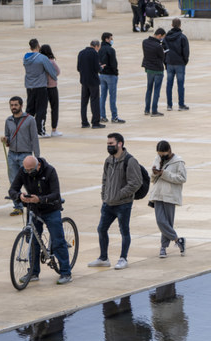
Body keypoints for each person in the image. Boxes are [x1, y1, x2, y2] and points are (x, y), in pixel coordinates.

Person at [9, 156, 71, 285]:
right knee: (33, 242)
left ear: (38, 166)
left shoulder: (50, 171)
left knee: (58, 240)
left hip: (51, 208)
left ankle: (65, 272)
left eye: (31, 170)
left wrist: (40, 199)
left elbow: (56, 194)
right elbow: (12, 189)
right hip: (33, 209)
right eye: (26, 170)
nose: (28, 172)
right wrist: (19, 196)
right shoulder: (23, 171)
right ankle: (33, 272)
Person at [88, 133, 142, 270]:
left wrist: (119, 195)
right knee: (101, 229)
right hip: (108, 203)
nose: (109, 146)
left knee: (124, 231)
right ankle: (103, 258)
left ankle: (123, 258)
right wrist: (104, 196)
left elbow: (136, 183)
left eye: (111, 144)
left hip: (123, 204)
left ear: (120, 144)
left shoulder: (130, 161)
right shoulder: (108, 160)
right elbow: (105, 179)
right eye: (108, 144)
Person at [1, 96, 40, 216]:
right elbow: (8, 138)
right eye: (11, 105)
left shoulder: (30, 120)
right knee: (13, 182)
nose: (13, 107)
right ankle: (17, 206)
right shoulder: (8, 121)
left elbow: (34, 139)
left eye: (15, 105)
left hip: (25, 155)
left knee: (29, 181)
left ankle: (33, 203)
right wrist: (5, 139)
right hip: (12, 154)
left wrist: (37, 158)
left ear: (21, 105)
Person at [149, 140, 187, 258]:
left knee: (168, 222)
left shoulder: (178, 162)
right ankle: (177, 240)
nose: (161, 156)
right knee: (161, 221)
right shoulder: (158, 158)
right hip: (158, 194)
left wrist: (164, 174)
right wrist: (155, 173)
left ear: (169, 150)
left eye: (163, 154)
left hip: (170, 195)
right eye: (159, 154)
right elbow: (152, 178)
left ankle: (163, 248)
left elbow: (182, 178)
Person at [23, 38, 58, 138]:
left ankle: (26, 130)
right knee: (41, 109)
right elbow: (51, 71)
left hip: (29, 86)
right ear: (38, 46)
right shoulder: (42, 58)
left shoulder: (25, 58)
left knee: (30, 109)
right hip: (40, 86)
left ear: (30, 47)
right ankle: (40, 131)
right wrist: (54, 77)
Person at [99, 32, 126, 124]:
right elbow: (114, 63)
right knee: (112, 96)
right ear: (106, 39)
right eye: (111, 39)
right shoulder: (110, 50)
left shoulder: (99, 49)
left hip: (102, 74)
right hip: (110, 75)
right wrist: (116, 73)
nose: (112, 40)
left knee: (102, 96)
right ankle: (114, 116)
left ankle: (102, 115)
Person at [77, 40, 104, 129]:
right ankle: (95, 122)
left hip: (84, 81)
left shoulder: (81, 53)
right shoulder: (94, 54)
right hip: (93, 81)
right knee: (95, 101)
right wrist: (101, 67)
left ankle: (84, 122)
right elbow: (97, 69)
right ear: (96, 46)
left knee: (84, 102)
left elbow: (78, 68)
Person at [165, 18, 190, 111]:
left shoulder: (167, 37)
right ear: (180, 25)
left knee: (169, 84)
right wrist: (184, 61)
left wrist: (166, 61)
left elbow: (164, 50)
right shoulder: (182, 37)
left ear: (172, 25)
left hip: (169, 63)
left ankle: (169, 105)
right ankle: (181, 105)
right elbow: (186, 51)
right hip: (179, 63)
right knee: (180, 85)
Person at [142, 28, 167, 116]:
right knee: (156, 90)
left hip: (149, 69)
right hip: (158, 70)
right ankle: (154, 110)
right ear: (159, 35)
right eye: (162, 37)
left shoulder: (145, 42)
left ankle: (147, 109)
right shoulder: (158, 46)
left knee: (149, 89)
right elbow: (162, 57)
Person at [39, 44, 62, 137]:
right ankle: (54, 129)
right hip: (52, 87)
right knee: (54, 108)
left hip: (42, 87)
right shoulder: (51, 62)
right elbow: (58, 72)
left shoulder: (40, 61)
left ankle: (42, 128)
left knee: (42, 109)